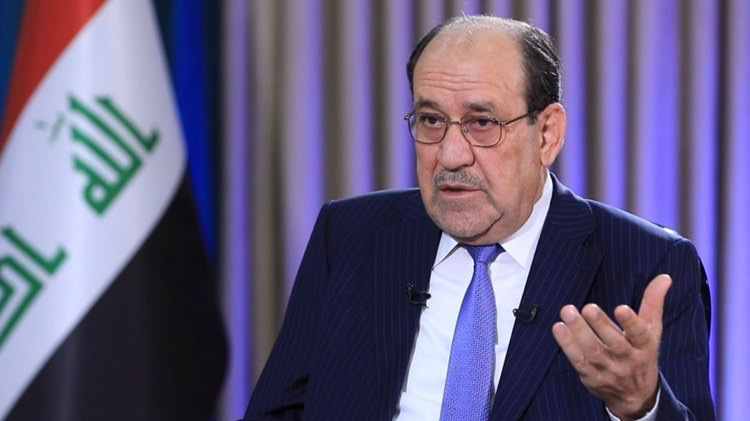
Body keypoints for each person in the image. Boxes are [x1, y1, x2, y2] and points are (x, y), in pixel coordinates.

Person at [242, 16, 714, 420]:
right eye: (431, 120)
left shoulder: (647, 263)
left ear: (547, 134)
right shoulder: (350, 233)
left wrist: (640, 406)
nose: (450, 155)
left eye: (482, 123)